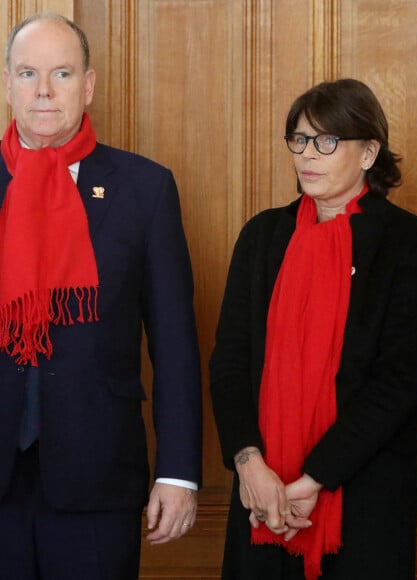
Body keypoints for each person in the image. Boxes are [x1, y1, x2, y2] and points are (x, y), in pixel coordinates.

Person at [210, 78, 417, 580]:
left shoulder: (408, 244)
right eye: (298, 139)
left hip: (363, 496)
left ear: (369, 153)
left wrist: (314, 478)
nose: (307, 155)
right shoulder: (261, 237)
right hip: (262, 494)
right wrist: (249, 464)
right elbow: (230, 361)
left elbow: (398, 380)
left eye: (327, 141)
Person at [0, 12, 202, 580]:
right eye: (28, 73)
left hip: (98, 475)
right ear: (8, 83)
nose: (43, 91)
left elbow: (175, 344)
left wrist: (179, 472)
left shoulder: (146, 188)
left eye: (61, 74)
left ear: (87, 86)